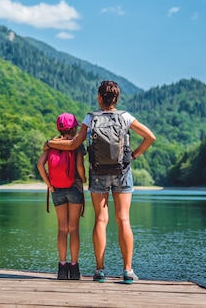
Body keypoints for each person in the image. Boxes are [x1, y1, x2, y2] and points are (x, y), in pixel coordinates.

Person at [46, 81, 155, 284]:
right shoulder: (125, 117)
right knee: (123, 219)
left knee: (101, 220)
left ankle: (100, 270)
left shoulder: (91, 118)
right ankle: (127, 270)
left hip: (98, 173)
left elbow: (74, 144)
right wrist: (134, 155)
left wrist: (49, 143)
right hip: (122, 172)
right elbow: (150, 137)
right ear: (117, 98)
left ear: (99, 97)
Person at [37, 113, 87, 280]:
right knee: (73, 229)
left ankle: (61, 267)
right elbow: (79, 165)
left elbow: (39, 165)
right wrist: (84, 178)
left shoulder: (51, 143)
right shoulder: (77, 144)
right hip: (74, 188)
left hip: (56, 189)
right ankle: (74, 269)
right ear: (73, 128)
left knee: (62, 229)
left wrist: (49, 185)